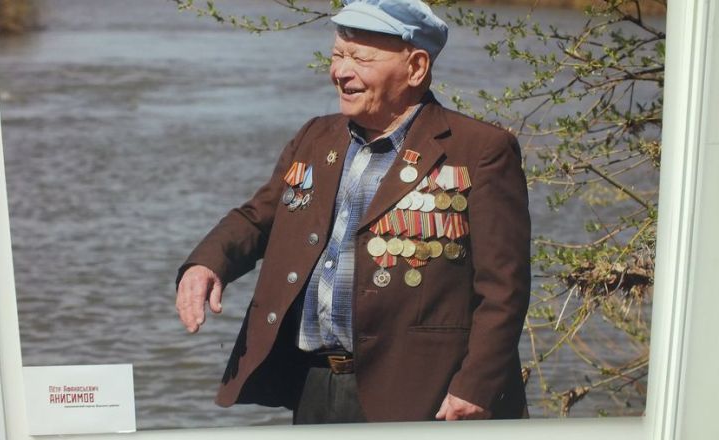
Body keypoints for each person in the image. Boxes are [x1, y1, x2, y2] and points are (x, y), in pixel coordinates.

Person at [176, 0, 531, 424]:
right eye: (337, 56)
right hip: (316, 384)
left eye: (360, 59)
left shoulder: (479, 150)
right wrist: (206, 263)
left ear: (416, 67)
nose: (341, 72)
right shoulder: (316, 136)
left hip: (426, 395)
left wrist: (476, 386)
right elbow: (259, 217)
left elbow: (504, 288)